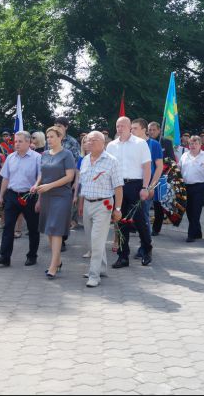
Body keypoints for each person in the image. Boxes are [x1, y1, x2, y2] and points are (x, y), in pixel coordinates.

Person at [77, 131, 123, 287]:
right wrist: (81, 204)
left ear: (103, 143)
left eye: (93, 140)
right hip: (87, 203)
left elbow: (118, 187)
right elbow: (83, 184)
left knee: (97, 241)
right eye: (88, 140)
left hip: (103, 205)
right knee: (92, 241)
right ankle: (101, 268)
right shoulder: (85, 160)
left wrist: (118, 208)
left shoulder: (112, 161)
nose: (89, 143)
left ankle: (94, 275)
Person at [106, 117, 153, 268]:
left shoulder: (140, 143)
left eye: (123, 126)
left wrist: (145, 187)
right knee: (120, 222)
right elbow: (108, 168)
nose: (120, 129)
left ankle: (146, 249)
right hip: (118, 186)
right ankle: (123, 256)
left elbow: (147, 167)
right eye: (117, 126)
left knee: (140, 221)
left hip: (135, 185)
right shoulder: (111, 146)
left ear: (129, 127)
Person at [31, 127, 75, 279]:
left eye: (52, 137)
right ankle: (58, 261)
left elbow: (69, 177)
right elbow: (42, 173)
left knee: (56, 229)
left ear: (60, 137)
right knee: (49, 230)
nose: (49, 139)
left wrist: (49, 185)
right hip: (46, 195)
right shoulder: (44, 154)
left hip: (61, 196)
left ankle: (53, 266)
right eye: (47, 137)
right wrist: (36, 184)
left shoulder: (67, 154)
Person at [0, 131, 41, 267]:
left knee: (33, 228)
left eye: (20, 141)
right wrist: (1, 196)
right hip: (12, 195)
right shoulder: (11, 157)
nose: (16, 144)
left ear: (28, 142)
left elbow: (40, 178)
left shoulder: (37, 158)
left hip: (29, 196)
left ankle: (32, 256)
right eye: (15, 141)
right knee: (8, 226)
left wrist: (39, 199)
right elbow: (5, 178)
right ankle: (4, 257)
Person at [131, 119, 163, 253]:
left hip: (147, 186)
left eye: (135, 128)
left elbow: (159, 167)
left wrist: (151, 186)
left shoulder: (153, 144)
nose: (132, 131)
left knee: (143, 216)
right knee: (135, 216)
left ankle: (145, 247)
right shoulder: (131, 144)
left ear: (144, 130)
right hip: (132, 185)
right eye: (131, 128)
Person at [49, 116, 80, 252]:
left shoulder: (72, 142)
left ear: (66, 127)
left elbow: (76, 164)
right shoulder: (50, 140)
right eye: (56, 125)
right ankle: (55, 237)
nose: (57, 128)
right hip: (51, 180)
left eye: (60, 126)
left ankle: (62, 239)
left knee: (63, 212)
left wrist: (75, 181)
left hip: (67, 179)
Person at [178, 136, 204, 242]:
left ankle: (191, 235)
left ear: (200, 145)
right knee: (189, 211)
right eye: (191, 143)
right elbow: (179, 168)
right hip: (186, 186)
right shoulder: (184, 155)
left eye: (196, 143)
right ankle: (197, 233)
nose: (193, 146)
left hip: (200, 186)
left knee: (196, 210)